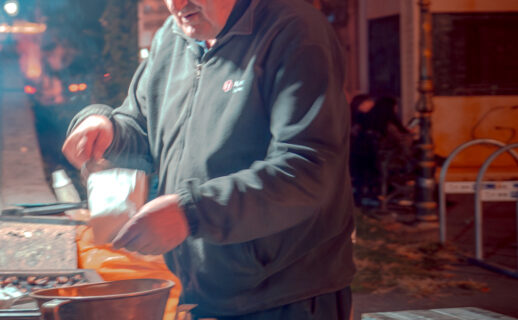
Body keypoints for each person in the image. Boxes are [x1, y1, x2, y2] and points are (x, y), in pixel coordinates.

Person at [61, 0, 354, 318]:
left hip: (285, 296)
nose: (176, 5)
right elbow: (143, 124)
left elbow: (307, 170)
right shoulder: (171, 36)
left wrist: (193, 212)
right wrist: (108, 129)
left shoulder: (294, 30)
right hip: (201, 290)